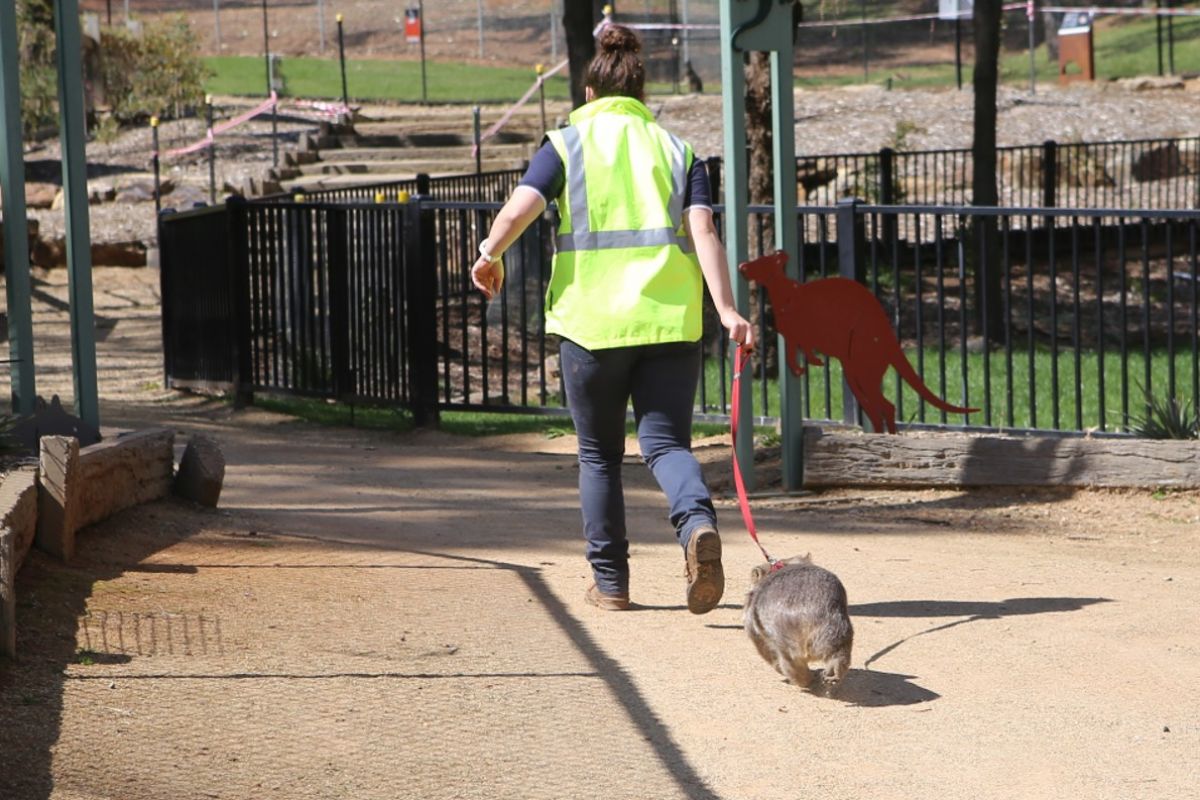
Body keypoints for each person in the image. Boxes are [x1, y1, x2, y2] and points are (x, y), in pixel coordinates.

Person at [470, 24, 753, 614]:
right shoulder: (678, 151)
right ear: (641, 95)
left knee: (599, 455)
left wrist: (488, 254)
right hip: (670, 325)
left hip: (592, 326)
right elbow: (704, 231)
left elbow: (521, 207)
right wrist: (727, 310)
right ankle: (696, 524)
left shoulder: (567, 143)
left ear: (591, 94)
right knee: (667, 444)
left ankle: (612, 585)